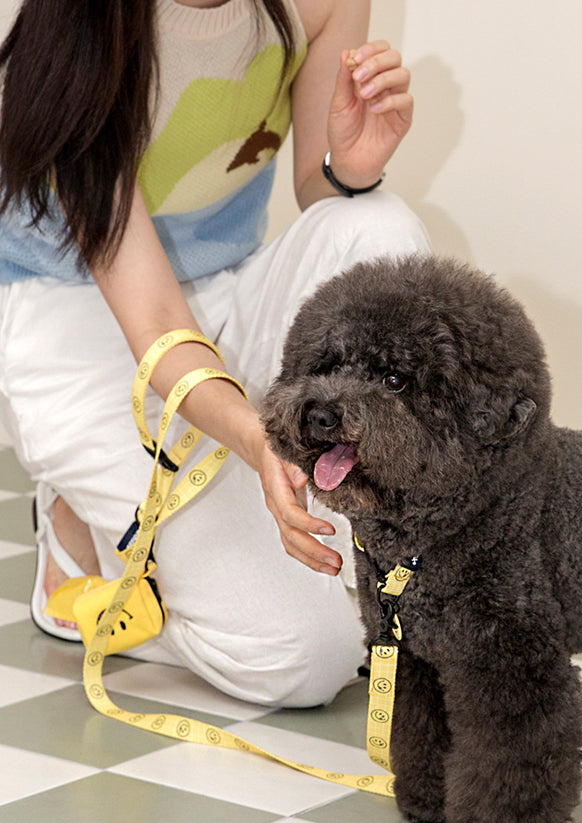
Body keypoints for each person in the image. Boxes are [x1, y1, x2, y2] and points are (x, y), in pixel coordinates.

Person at [0, 0, 431, 707]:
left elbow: (316, 192)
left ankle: (206, 534)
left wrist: (350, 168)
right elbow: (157, 321)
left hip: (230, 285)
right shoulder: (72, 17)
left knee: (377, 223)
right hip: (74, 320)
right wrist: (260, 442)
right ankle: (95, 548)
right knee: (308, 656)